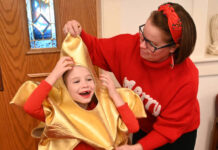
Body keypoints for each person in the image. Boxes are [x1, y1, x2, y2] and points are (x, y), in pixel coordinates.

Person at [63, 2, 200, 150]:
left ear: (173, 47)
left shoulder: (187, 78)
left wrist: (139, 147)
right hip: (143, 125)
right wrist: (77, 31)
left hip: (177, 136)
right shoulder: (128, 46)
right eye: (142, 36)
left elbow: (168, 129)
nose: (141, 45)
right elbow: (94, 49)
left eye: (151, 44)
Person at [10, 34, 146, 150]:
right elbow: (30, 107)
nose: (85, 85)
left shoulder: (104, 107)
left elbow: (133, 127)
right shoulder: (59, 111)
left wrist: (114, 95)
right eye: (76, 81)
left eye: (89, 79)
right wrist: (54, 75)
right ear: (65, 88)